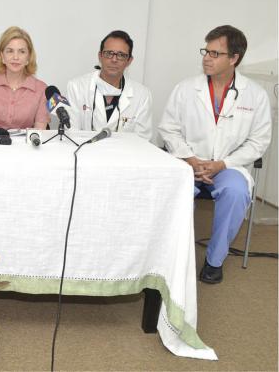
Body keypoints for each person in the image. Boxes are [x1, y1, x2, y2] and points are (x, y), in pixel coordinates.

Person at [158, 25, 271, 284]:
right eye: (206, 51)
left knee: (236, 192)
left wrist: (223, 164)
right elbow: (168, 128)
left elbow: (259, 141)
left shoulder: (256, 95)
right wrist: (190, 159)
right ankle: (170, 257)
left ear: (234, 58)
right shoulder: (186, 88)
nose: (207, 58)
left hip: (228, 165)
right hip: (188, 162)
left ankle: (214, 260)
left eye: (215, 53)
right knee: (174, 191)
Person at [66, 30, 152, 139]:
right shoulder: (76, 87)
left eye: (121, 55)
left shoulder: (142, 95)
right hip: (85, 153)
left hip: (124, 155)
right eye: (109, 53)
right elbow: (71, 132)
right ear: (100, 56)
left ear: (129, 60)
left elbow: (142, 139)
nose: (114, 59)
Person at [0, 26, 50, 130]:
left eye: (21, 52)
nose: (15, 57)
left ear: (28, 57)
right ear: (2, 56)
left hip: (26, 145)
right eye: (10, 51)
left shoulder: (42, 89)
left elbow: (40, 131)